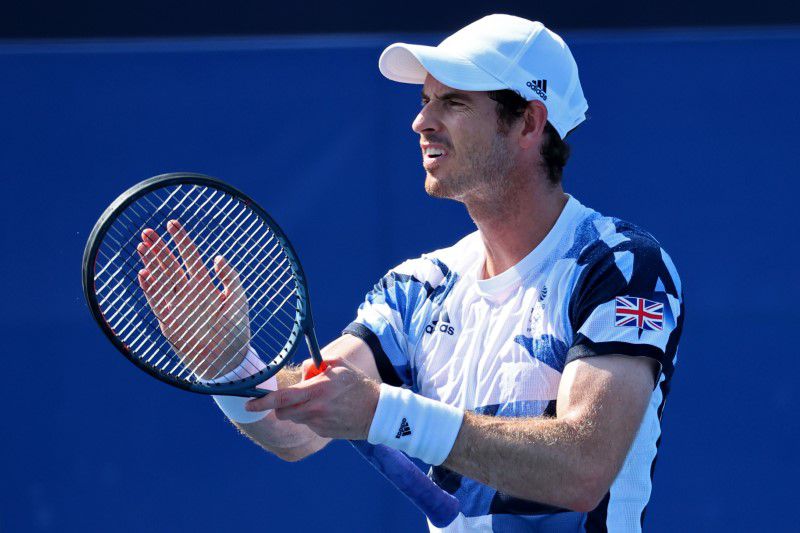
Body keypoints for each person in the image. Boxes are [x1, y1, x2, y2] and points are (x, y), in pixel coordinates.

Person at [139, 14, 684, 532]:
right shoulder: (416, 288)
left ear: (528, 121)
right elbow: (294, 427)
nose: (421, 121)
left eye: (452, 101)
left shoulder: (619, 266)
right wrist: (230, 365)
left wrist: (383, 412)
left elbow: (582, 468)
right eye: (425, 100)